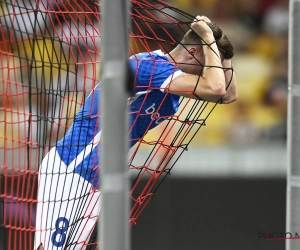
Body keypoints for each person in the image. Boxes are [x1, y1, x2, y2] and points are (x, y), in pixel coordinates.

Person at [35, 15, 237, 250]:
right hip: (72, 167)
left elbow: (228, 95)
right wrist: (207, 39)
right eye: (209, 64)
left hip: (94, 175)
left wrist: (222, 51)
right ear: (193, 52)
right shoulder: (153, 67)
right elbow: (216, 87)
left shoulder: (172, 79)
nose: (210, 72)